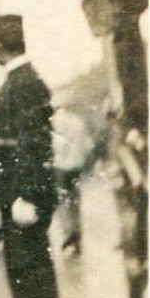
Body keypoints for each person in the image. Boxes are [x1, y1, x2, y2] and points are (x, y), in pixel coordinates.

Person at [0, 14, 67, 298]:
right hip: (13, 193)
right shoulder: (19, 81)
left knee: (33, 271)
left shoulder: (25, 83)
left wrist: (26, 195)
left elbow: (34, 143)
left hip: (23, 194)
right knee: (21, 271)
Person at [51, 96, 94, 255]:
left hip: (60, 167)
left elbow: (53, 146)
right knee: (75, 202)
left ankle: (68, 234)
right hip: (76, 166)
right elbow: (87, 146)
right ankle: (77, 236)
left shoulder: (53, 123)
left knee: (62, 203)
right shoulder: (78, 121)